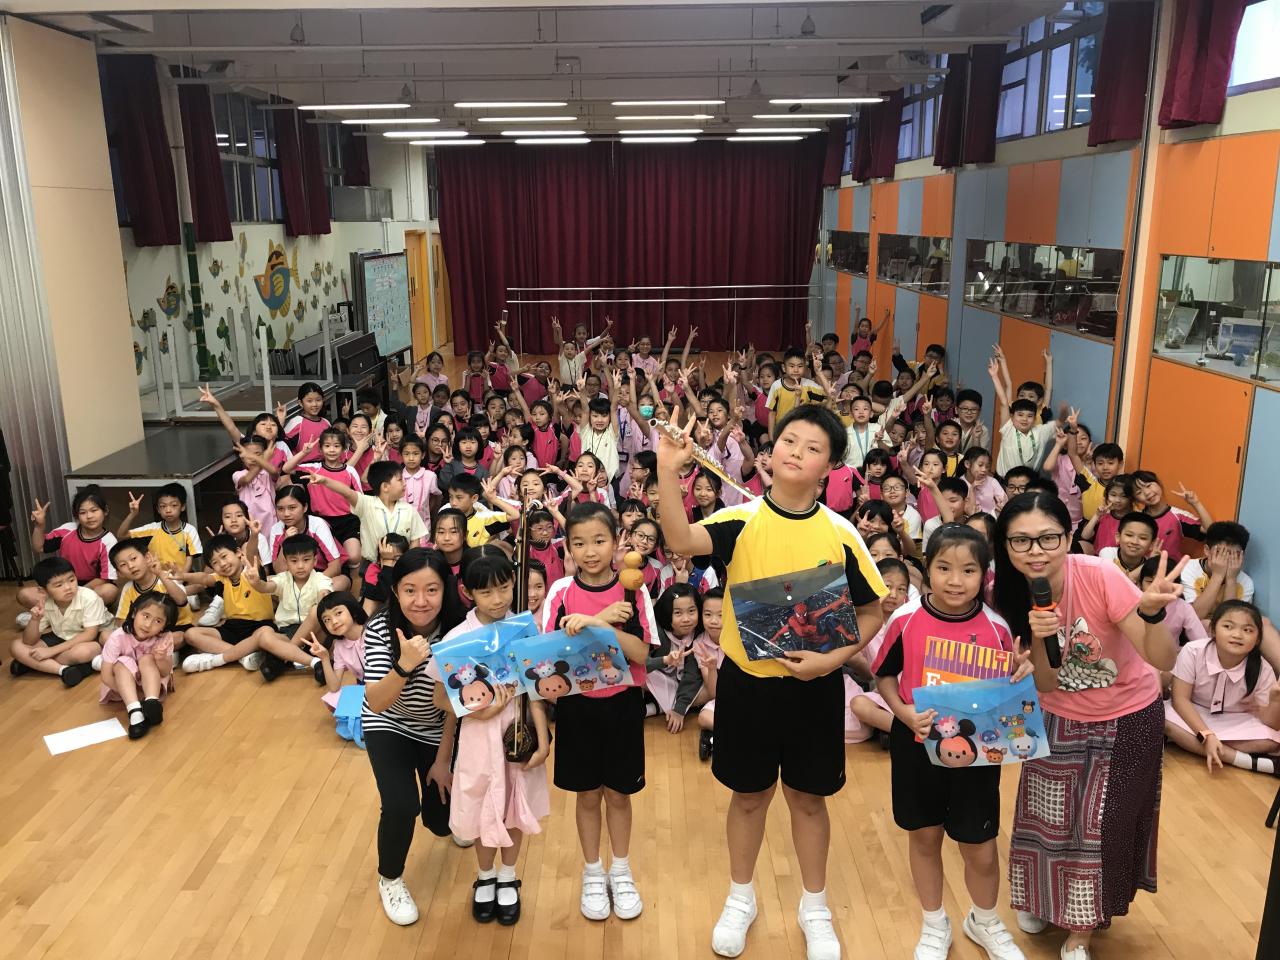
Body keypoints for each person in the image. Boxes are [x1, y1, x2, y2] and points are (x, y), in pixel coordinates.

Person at [656, 403, 886, 960]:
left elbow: (872, 611)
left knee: (808, 800)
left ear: (830, 468)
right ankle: (741, 898)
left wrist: (832, 662)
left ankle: (815, 907)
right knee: (748, 796)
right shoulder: (740, 520)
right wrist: (666, 469)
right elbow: (680, 540)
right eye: (790, 440)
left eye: (813, 448)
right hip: (747, 685)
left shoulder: (841, 532)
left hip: (815, 689)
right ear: (772, 449)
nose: (797, 452)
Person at [992, 492, 1190, 960]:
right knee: (1046, 818)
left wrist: (1154, 613)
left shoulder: (1099, 575)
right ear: (1006, 545)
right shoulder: (1008, 591)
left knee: (1103, 828)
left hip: (1128, 717)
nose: (1035, 551)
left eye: (1048, 538)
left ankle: (1082, 930)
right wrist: (1038, 636)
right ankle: (1041, 899)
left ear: (1067, 538)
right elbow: (1045, 681)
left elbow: (1162, 658)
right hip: (1057, 716)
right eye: (1021, 540)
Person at [872, 525, 1032, 960]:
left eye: (968, 570)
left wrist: (1019, 676)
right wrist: (903, 712)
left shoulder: (998, 628)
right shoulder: (905, 619)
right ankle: (934, 923)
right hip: (916, 744)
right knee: (924, 836)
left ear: (985, 574)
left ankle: (984, 920)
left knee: (979, 846)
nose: (955, 580)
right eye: (943, 568)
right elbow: (884, 677)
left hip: (976, 755)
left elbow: (1009, 694)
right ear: (927, 569)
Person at [541, 502, 660, 923]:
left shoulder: (634, 591)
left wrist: (600, 624)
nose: (589, 551)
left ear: (616, 542)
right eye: (579, 543)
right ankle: (593, 872)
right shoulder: (560, 592)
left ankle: (620, 871)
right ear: (568, 548)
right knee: (587, 794)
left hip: (623, 704)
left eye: (598, 541)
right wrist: (597, 618)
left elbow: (641, 653)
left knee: (619, 794)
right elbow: (549, 655)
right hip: (577, 706)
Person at [427, 551, 551, 925]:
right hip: (478, 736)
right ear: (468, 592)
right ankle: (485, 876)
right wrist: (478, 711)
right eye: (486, 592)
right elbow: (439, 697)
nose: (497, 599)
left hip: (518, 731)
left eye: (504, 588)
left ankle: (508, 876)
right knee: (482, 802)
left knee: (515, 802)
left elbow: (536, 689)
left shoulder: (525, 628)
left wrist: (544, 739)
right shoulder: (456, 638)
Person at [362, 548, 466, 926]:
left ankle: (447, 814)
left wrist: (443, 760)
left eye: (431, 590)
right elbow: (377, 702)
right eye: (410, 590)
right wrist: (405, 664)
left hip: (437, 728)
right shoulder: (379, 628)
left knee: (442, 823)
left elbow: (455, 705)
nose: (420, 601)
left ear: (445, 590)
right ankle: (390, 879)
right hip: (388, 723)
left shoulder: (458, 628)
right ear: (395, 591)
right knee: (402, 806)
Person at [1164, 600, 1280, 775]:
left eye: (1247, 630)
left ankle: (1192, 742)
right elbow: (1180, 700)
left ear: (1257, 639)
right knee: (1163, 719)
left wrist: (1276, 700)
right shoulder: (1193, 651)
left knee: (1272, 740)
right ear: (1213, 630)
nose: (1237, 635)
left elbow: (1270, 723)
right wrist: (1207, 735)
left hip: (1235, 720)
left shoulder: (1263, 669)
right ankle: (1242, 760)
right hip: (1193, 712)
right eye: (1228, 626)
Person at [174, 535, 271, 674]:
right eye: (215, 562)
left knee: (266, 634)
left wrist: (254, 535)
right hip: (232, 627)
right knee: (190, 634)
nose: (222, 564)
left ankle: (220, 657)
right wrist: (182, 576)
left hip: (258, 627)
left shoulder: (250, 571)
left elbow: (251, 552)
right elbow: (204, 577)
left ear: (238, 553)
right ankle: (242, 656)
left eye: (224, 556)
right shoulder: (221, 579)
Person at [243, 535, 333, 682]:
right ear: (286, 562)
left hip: (314, 634)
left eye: (306, 560)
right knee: (263, 635)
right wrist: (256, 583)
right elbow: (266, 587)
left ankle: (283, 657)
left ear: (315, 560)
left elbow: (324, 593)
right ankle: (309, 661)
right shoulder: (283, 578)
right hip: (287, 632)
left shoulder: (320, 579)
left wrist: (323, 596)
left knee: (318, 609)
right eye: (294, 561)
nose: (300, 566)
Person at [10, 556, 109, 685]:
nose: (68, 587)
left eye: (71, 580)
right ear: (43, 590)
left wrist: (50, 651)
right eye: (59, 585)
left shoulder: (89, 597)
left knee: (83, 652)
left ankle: (33, 664)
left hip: (91, 639)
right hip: (62, 637)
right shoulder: (45, 602)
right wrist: (34, 620)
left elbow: (89, 634)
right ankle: (63, 670)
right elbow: (29, 641)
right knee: (16, 646)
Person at [305, 460, 428, 564]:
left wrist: (407, 563)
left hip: (401, 565)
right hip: (372, 564)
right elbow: (346, 492)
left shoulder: (410, 510)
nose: (405, 484)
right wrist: (325, 481)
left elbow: (415, 541)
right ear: (385, 487)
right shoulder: (366, 504)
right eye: (400, 480)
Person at [22, 486, 118, 614]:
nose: (89, 516)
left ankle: (58, 612)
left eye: (94, 510)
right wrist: (39, 526)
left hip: (89, 587)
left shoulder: (109, 541)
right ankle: (70, 612)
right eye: (83, 512)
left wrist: (75, 593)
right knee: (24, 594)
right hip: (61, 584)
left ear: (105, 511)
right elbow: (39, 547)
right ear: (76, 515)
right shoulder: (68, 530)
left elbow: (104, 578)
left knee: (110, 591)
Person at [99, 594, 179, 739]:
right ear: (134, 612)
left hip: (153, 684)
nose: (148, 624)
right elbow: (106, 676)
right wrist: (131, 694)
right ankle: (134, 711)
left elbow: (165, 671)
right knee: (122, 662)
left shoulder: (165, 637)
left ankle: (151, 702)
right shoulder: (117, 637)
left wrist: (160, 658)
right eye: (146, 616)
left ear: (165, 625)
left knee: (147, 658)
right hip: (122, 686)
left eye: (158, 621)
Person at [1180, 521, 1254, 620]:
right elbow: (1194, 617)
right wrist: (1218, 575)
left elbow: (1231, 621)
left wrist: (1231, 580)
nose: (1226, 559)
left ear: (1242, 555)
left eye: (1233, 555)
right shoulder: (1187, 569)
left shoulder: (1246, 582)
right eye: (1220, 553)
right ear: (1207, 550)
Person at [311, 591, 367, 710]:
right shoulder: (339, 646)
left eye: (338, 613)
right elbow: (334, 687)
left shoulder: (373, 631)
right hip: (365, 688)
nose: (334, 622)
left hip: (388, 686)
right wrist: (325, 658)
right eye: (327, 620)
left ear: (352, 609)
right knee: (333, 698)